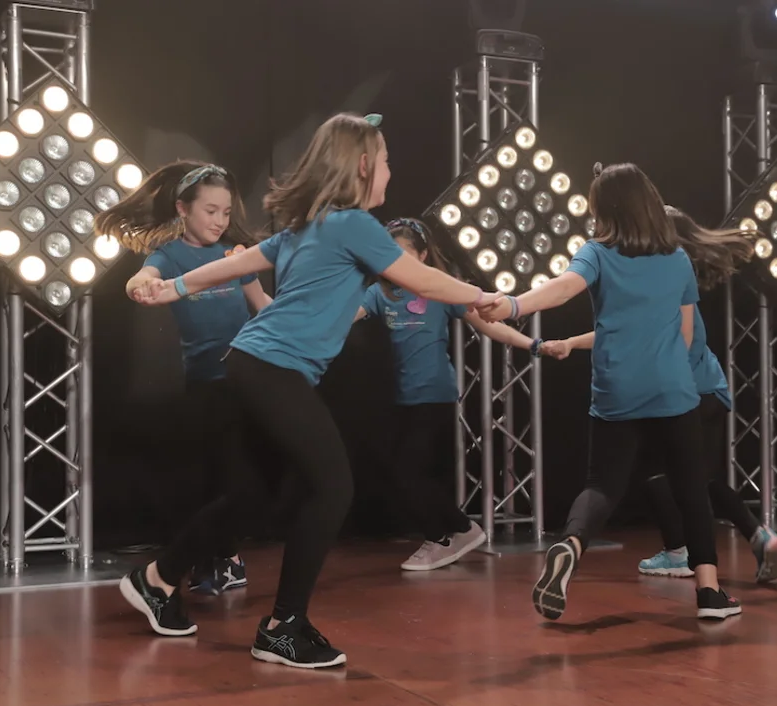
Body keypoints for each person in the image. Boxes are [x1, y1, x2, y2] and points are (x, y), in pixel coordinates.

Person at [119, 113, 501, 669]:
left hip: (250, 363)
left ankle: (157, 579)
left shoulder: (311, 226)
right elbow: (419, 278)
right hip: (271, 368)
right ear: (363, 165)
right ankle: (283, 627)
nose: (391, 171)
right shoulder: (353, 225)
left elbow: (239, 263)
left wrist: (174, 286)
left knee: (253, 497)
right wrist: (483, 295)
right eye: (386, 160)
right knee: (332, 487)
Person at [480, 163, 742, 620]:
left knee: (602, 486)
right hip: (672, 390)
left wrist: (514, 304)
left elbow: (563, 289)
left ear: (605, 210)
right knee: (690, 490)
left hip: (617, 390)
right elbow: (685, 336)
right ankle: (709, 593)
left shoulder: (597, 254)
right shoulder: (677, 258)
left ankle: (571, 544)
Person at [543, 206, 777, 584]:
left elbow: (627, 334)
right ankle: (759, 535)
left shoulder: (662, 284)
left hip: (679, 396)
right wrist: (572, 343)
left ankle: (679, 552)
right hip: (711, 390)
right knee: (699, 479)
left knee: (655, 473)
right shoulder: (675, 281)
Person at [96, 161, 271, 595]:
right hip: (204, 385)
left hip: (246, 379)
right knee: (209, 476)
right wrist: (139, 285)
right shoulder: (171, 254)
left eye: (226, 212)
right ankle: (214, 559)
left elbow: (263, 304)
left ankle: (228, 559)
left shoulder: (234, 255)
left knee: (239, 474)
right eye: (210, 211)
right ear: (182, 208)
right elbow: (144, 276)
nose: (220, 221)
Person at [355, 217, 545, 571]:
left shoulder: (440, 290)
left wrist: (533, 344)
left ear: (423, 255)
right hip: (403, 398)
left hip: (436, 393)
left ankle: (454, 532)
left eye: (404, 254)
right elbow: (342, 318)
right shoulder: (380, 293)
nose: (396, 263)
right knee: (403, 474)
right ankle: (449, 534)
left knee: (409, 473)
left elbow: (491, 326)